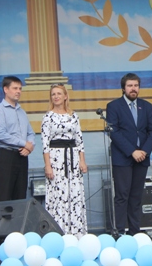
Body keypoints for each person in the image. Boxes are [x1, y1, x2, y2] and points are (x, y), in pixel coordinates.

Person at [106, 73, 152, 235]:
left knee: (137, 197)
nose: (133, 89)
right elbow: (114, 132)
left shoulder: (146, 106)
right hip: (123, 159)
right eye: (130, 86)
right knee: (122, 196)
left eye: (136, 85)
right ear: (123, 88)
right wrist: (132, 151)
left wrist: (144, 151)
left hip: (142, 158)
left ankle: (135, 231)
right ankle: (120, 231)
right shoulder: (114, 106)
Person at [41, 83, 88, 236]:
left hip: (73, 158)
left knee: (74, 193)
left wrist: (82, 160)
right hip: (56, 159)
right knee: (58, 194)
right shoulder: (48, 117)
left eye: (59, 93)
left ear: (65, 96)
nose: (56, 96)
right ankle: (59, 231)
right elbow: (45, 144)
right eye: (53, 94)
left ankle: (76, 232)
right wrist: (47, 165)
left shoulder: (73, 116)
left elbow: (79, 139)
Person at [0, 76, 35, 202]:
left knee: (20, 195)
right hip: (5, 156)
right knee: (3, 195)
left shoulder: (22, 112)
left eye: (20, 88)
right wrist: (24, 143)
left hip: (22, 156)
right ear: (5, 89)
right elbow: (0, 134)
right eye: (15, 88)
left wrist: (29, 147)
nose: (18, 91)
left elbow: (31, 133)